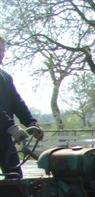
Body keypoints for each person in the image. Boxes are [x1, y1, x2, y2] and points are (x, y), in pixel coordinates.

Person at [0, 33, 43, 178]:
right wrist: (11, 126)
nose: (1, 54)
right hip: (6, 130)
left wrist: (31, 122)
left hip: (4, 137)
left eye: (3, 51)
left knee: (15, 178)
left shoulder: (5, 77)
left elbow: (17, 102)